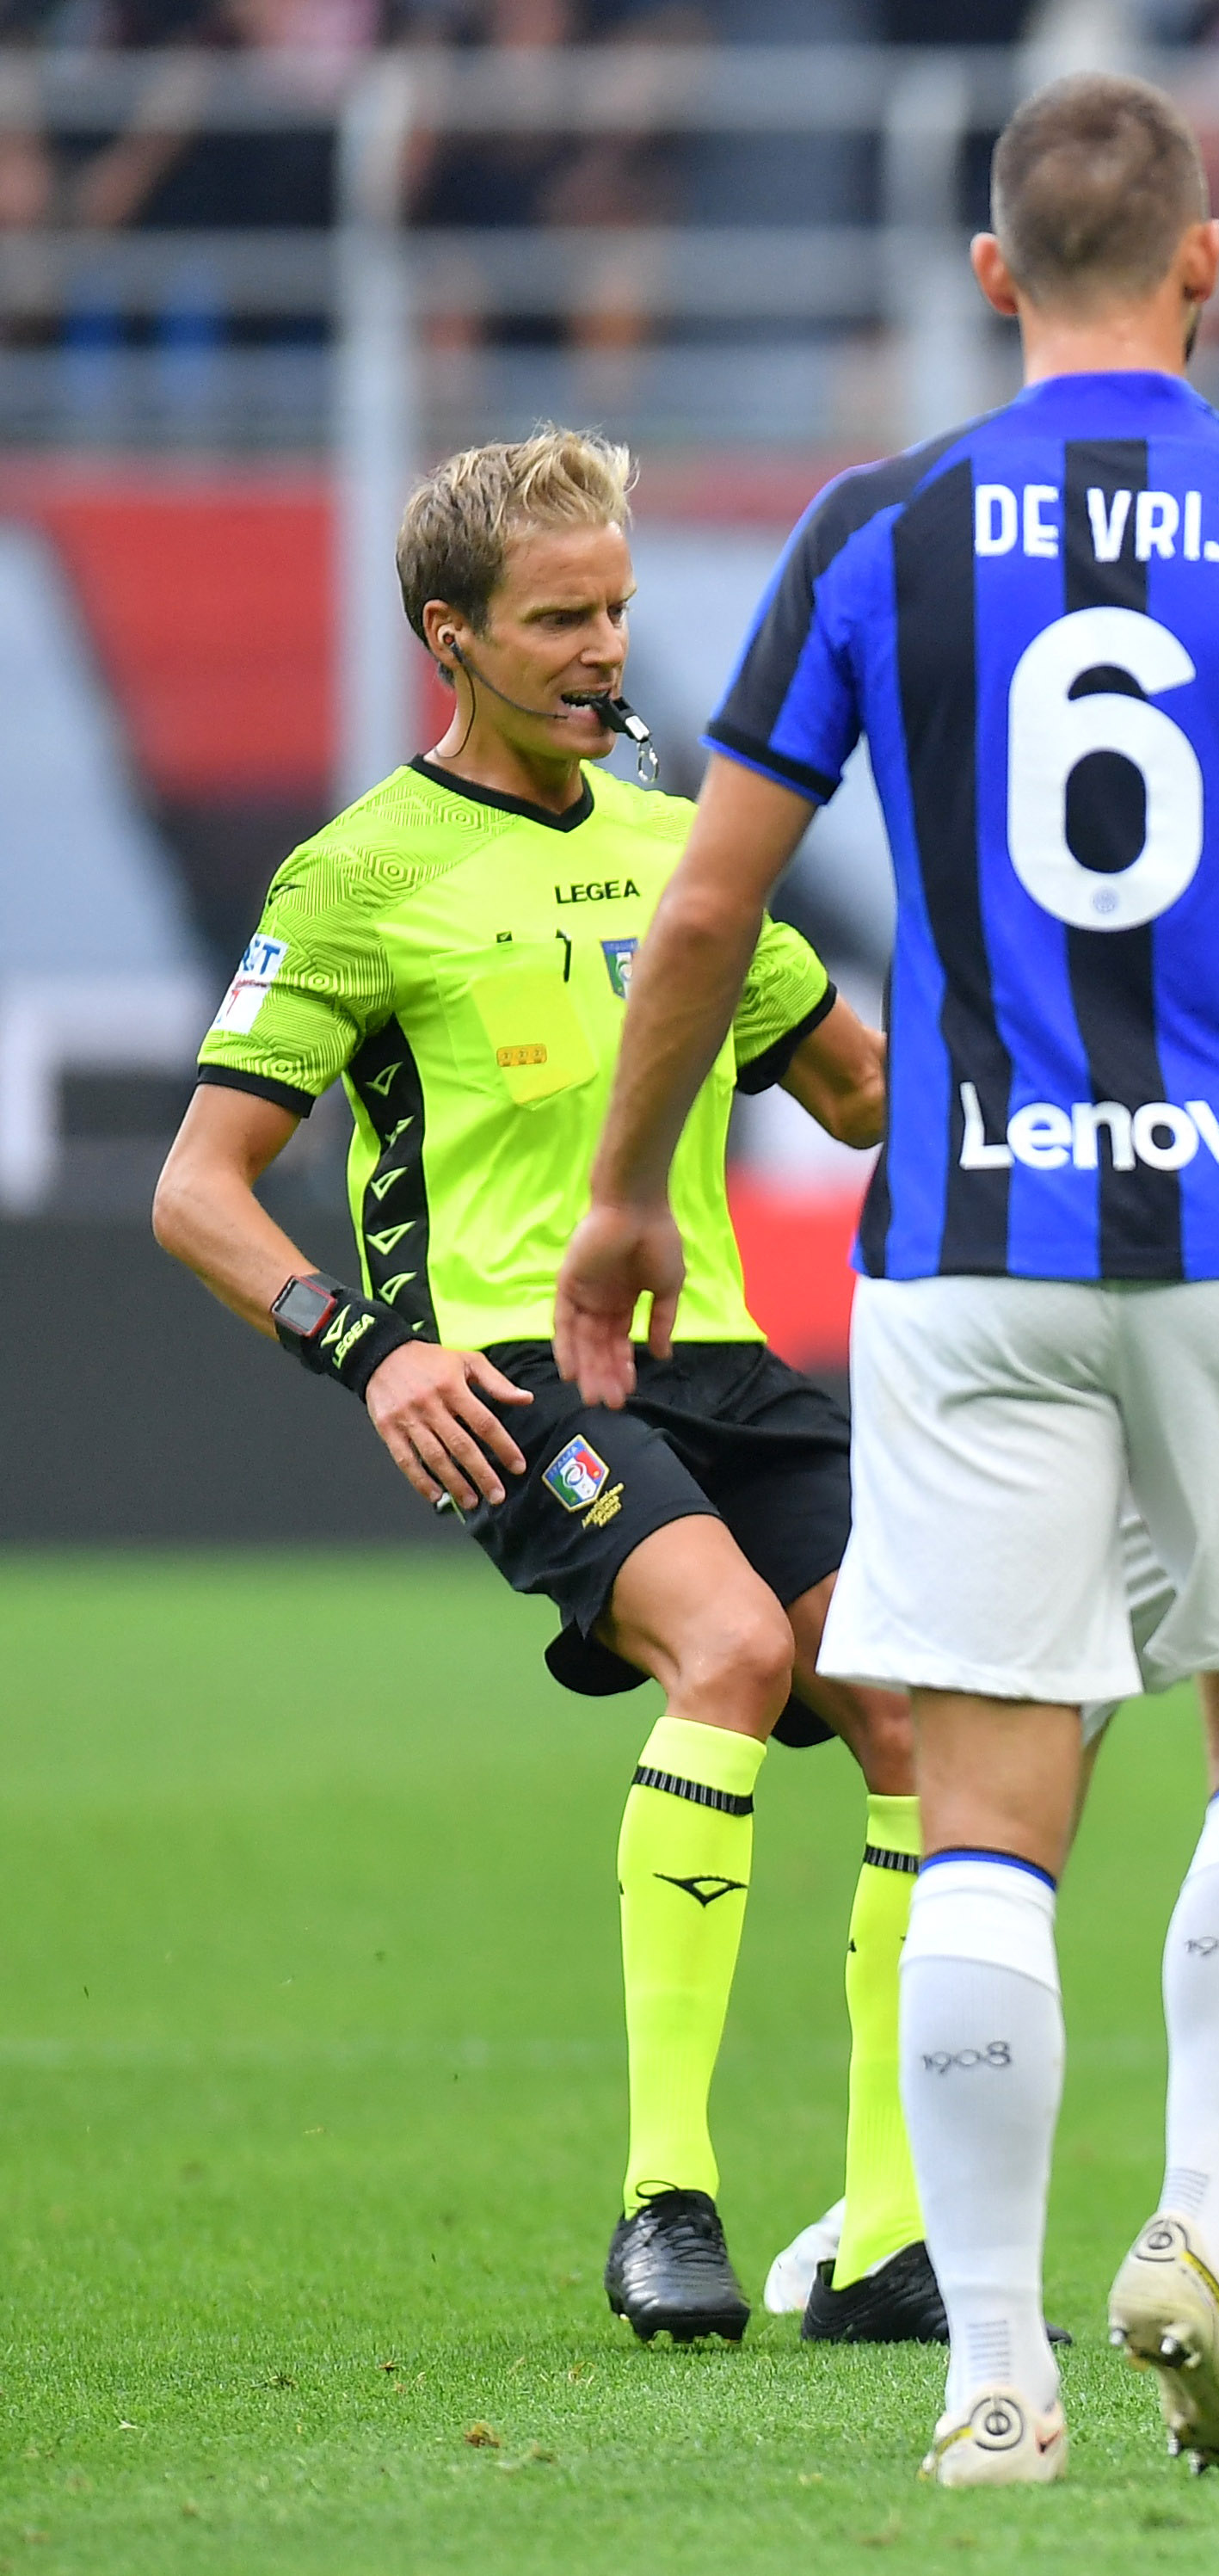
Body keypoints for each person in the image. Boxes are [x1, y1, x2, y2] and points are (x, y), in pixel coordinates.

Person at [550, 75, 1219, 2489]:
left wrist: (627, 1188)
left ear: (989, 277)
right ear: (1207, 263)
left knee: (985, 1814)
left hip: (972, 1246)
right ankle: (1203, 2222)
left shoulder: (875, 528)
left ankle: (992, 2375)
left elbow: (712, 899)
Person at [149, 428, 942, 2352]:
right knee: (731, 1652)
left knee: (925, 1714)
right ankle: (668, 2200)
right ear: (453, 638)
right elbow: (197, 1189)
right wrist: (367, 1346)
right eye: (560, 618)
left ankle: (892, 2243)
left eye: (618, 611)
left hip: (726, 1357)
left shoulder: (686, 851)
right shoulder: (361, 875)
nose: (605, 650)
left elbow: (860, 1093)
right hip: (514, 1368)